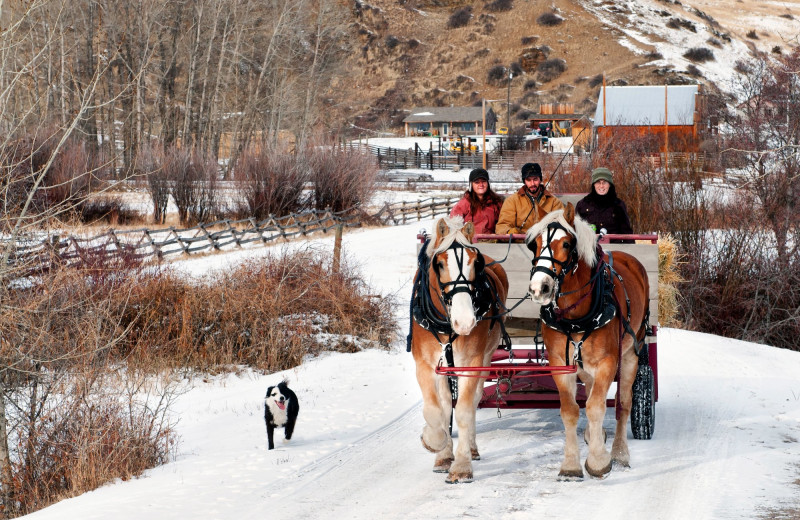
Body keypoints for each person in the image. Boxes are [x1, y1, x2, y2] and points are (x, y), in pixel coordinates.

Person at [495, 162, 564, 235]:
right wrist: (510, 232)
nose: (532, 183)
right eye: (528, 180)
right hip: (520, 243)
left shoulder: (554, 202)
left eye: (535, 179)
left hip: (546, 243)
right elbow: (502, 226)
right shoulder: (512, 201)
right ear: (524, 181)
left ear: (540, 179)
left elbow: (563, 225)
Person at [576, 167, 633, 236]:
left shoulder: (618, 205)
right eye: (598, 182)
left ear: (610, 185)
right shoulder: (583, 204)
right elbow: (576, 231)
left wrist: (629, 246)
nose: (601, 186)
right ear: (594, 184)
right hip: (590, 245)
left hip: (614, 245)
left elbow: (626, 232)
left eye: (605, 182)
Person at [449, 168, 504, 235]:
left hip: (491, 241)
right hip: (470, 242)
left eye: (483, 181)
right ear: (471, 184)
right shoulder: (464, 204)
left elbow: (503, 223)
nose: (481, 185)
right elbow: (454, 225)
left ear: (488, 183)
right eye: (477, 182)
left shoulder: (496, 203)